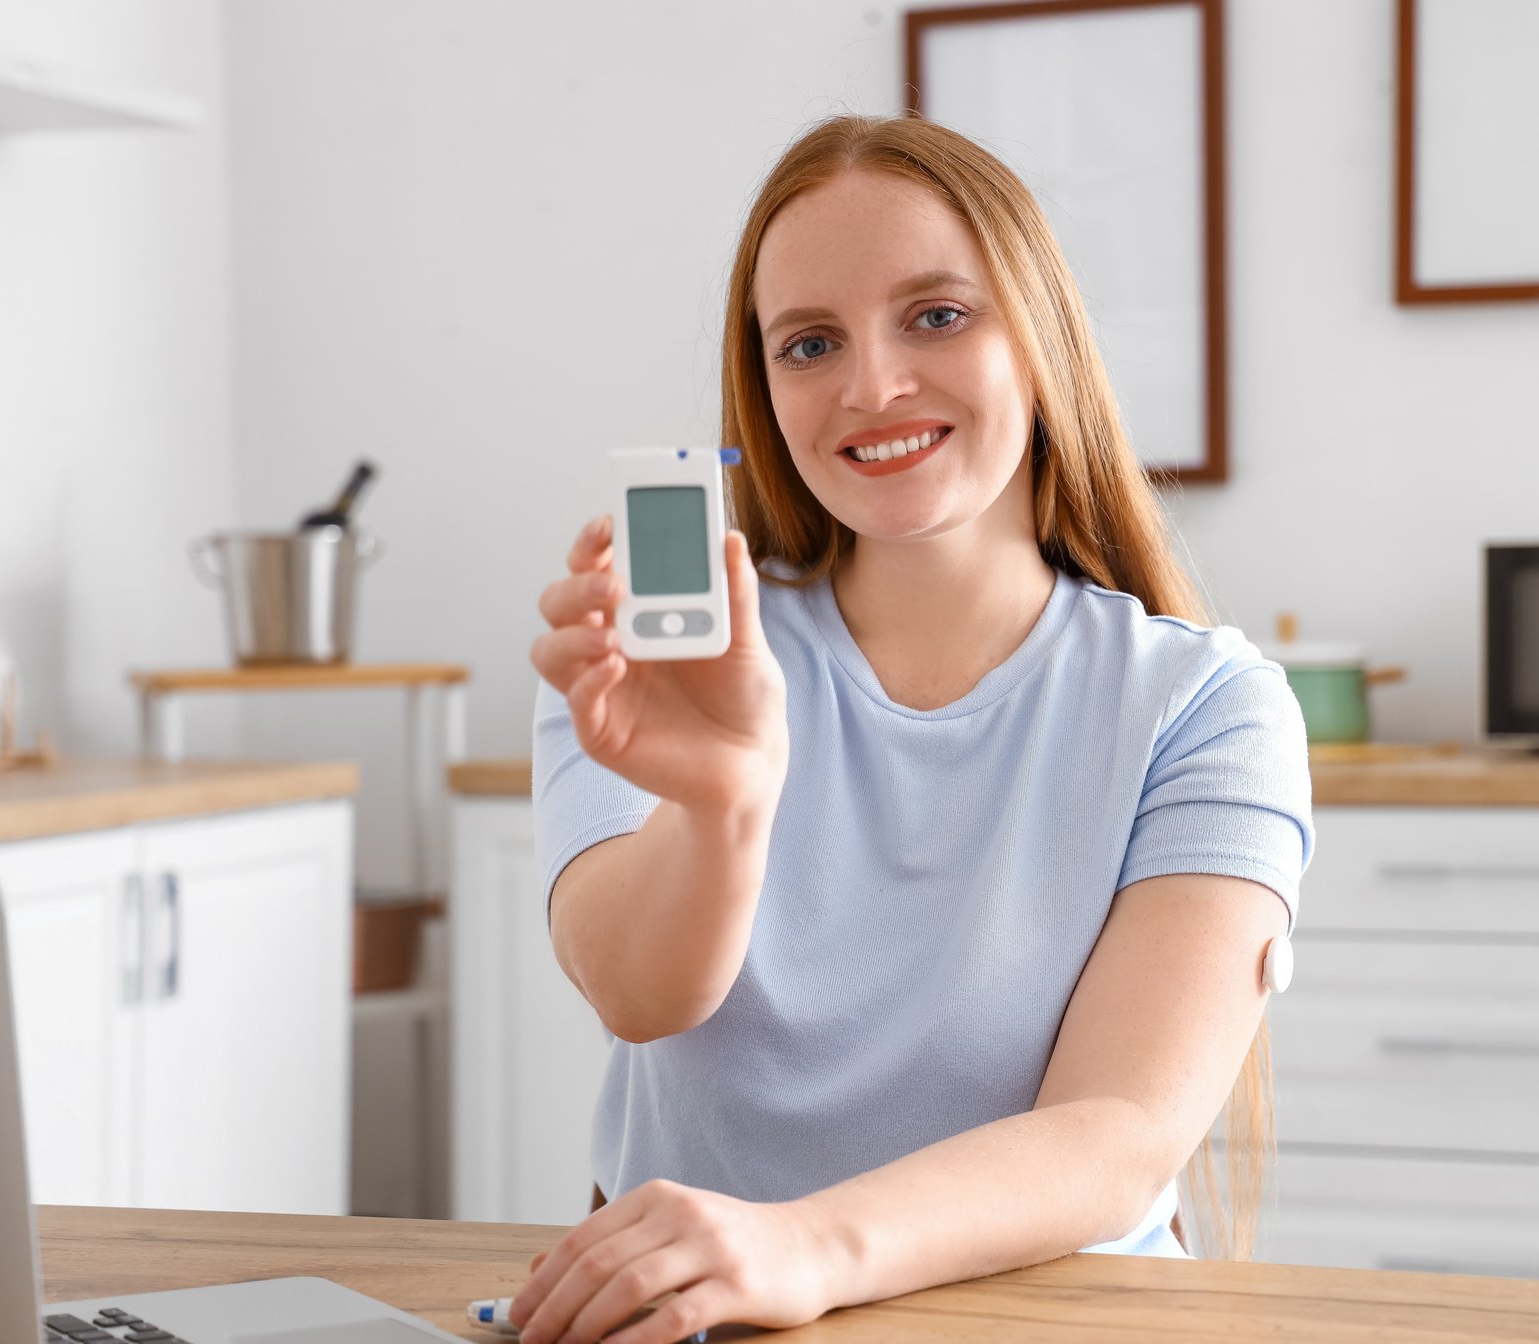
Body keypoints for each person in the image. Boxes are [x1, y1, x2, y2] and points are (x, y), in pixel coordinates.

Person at [513, 112, 1313, 1344]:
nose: (871, 385)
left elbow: (1117, 1138)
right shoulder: (649, 668)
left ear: (1038, 336)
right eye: (809, 343)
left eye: (938, 315)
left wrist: (804, 1244)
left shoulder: (1208, 709)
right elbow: (637, 992)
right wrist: (722, 799)